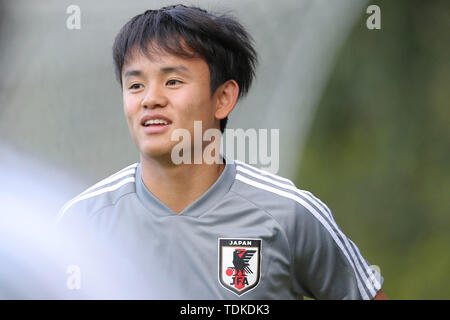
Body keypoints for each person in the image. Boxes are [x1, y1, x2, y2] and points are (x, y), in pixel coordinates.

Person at [57, 4, 387, 300]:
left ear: (223, 98)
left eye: (172, 81)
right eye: (135, 85)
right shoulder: (80, 224)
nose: (150, 99)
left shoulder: (290, 216)